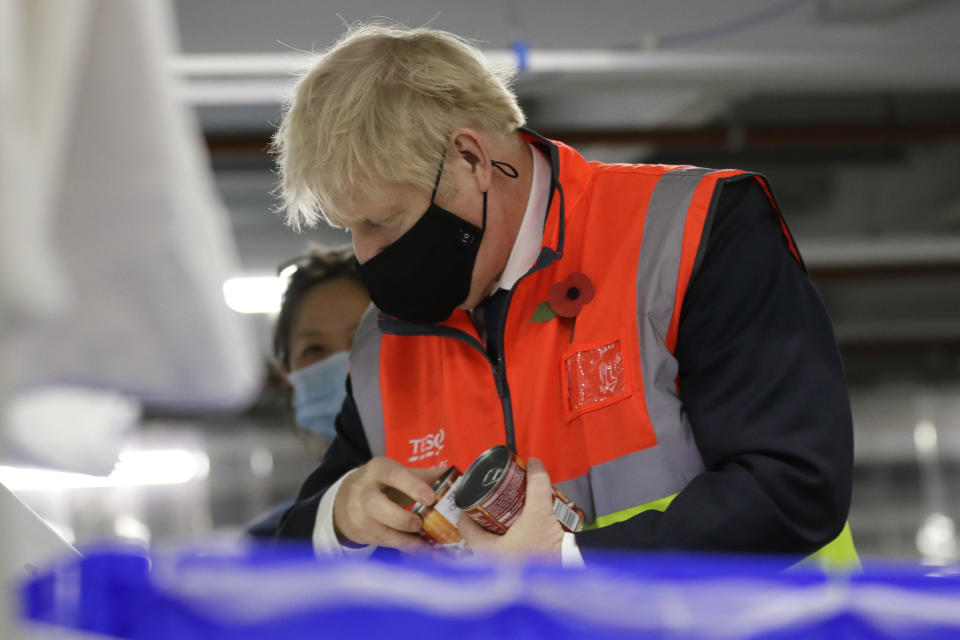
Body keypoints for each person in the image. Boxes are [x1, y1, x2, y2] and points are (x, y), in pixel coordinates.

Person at [270, 24, 858, 568]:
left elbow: (793, 488)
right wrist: (339, 515)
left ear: (473, 160)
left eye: (383, 222)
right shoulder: (385, 339)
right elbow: (282, 558)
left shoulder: (692, 232)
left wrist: (566, 566)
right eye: (349, 228)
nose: (365, 256)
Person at [246, 248, 370, 538]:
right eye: (315, 349)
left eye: (363, 339)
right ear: (287, 375)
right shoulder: (273, 543)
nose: (342, 364)